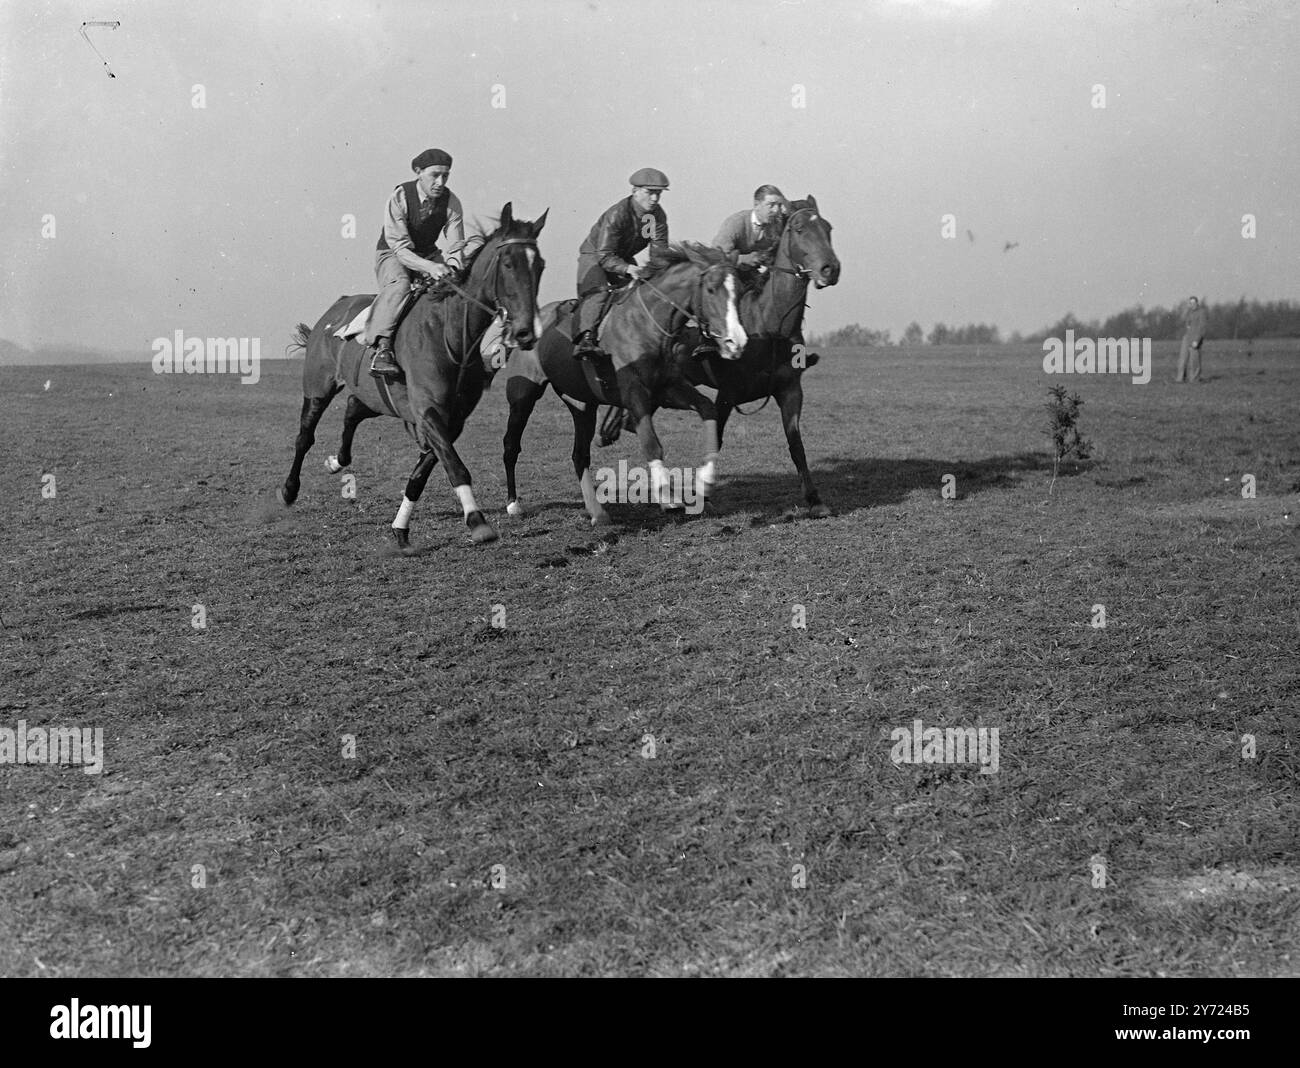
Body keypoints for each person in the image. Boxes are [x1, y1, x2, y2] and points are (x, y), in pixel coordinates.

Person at [369, 148, 467, 379]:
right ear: (418, 172)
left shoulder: (452, 202)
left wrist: (453, 269)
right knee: (400, 285)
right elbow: (401, 249)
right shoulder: (400, 196)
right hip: (393, 253)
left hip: (428, 254)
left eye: (446, 176)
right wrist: (431, 268)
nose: (440, 182)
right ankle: (382, 350)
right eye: (435, 175)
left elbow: (455, 247)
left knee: (456, 290)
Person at [572, 168, 671, 362]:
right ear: (635, 191)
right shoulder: (618, 214)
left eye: (658, 194)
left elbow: (660, 254)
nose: (655, 199)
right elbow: (605, 255)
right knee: (599, 292)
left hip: (622, 257)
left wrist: (659, 273)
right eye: (649, 193)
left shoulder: (655, 217)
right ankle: (586, 339)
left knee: (645, 289)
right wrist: (629, 268)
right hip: (595, 255)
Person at [713, 184, 787, 268]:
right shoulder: (735, 223)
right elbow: (717, 257)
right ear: (756, 205)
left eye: (779, 205)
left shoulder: (777, 225)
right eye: (771, 205)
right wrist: (745, 259)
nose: (776, 210)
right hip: (734, 274)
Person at [1175, 296, 1209, 383]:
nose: (1192, 304)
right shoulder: (1189, 312)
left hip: (1195, 338)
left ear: (1197, 303)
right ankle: (1180, 378)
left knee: (1194, 360)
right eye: (1190, 303)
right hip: (1187, 337)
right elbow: (1187, 324)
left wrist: (1197, 340)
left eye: (1194, 303)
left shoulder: (1202, 312)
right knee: (1182, 359)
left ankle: (1194, 379)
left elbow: (1202, 327)